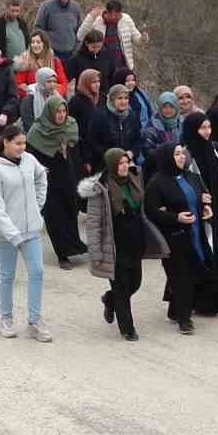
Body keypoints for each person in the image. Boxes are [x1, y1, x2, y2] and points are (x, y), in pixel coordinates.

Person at [79, 147, 158, 342]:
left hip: (135, 241)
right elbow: (94, 223)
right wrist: (95, 252)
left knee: (135, 283)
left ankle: (109, 299)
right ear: (112, 165)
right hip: (115, 244)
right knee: (122, 287)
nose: (124, 166)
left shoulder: (134, 179)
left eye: (126, 162)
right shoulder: (101, 188)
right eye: (120, 163)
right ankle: (127, 329)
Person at [0, 124, 51, 341]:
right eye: (17, 143)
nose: (22, 147)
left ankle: (34, 320)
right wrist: (12, 233)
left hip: (31, 228)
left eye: (24, 143)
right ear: (5, 142)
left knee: (37, 272)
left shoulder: (30, 161)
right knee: (7, 275)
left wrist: (37, 205)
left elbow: (42, 178)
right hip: (6, 234)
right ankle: (6, 319)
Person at [144, 143, 213, 335]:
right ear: (167, 157)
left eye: (183, 153)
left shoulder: (192, 177)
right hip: (173, 237)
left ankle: (175, 311)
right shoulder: (157, 182)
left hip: (195, 233)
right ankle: (184, 319)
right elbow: (151, 211)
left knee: (193, 272)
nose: (182, 157)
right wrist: (176, 218)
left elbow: (200, 199)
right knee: (182, 277)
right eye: (177, 154)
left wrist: (206, 208)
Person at [180, 112, 218, 316]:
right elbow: (180, 180)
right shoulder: (185, 154)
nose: (207, 131)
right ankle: (193, 300)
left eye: (209, 127)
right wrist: (199, 196)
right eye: (202, 128)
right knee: (199, 253)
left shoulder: (215, 149)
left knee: (216, 250)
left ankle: (213, 302)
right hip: (196, 211)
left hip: (216, 210)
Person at [25, 95, 86, 270]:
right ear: (49, 112)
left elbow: (76, 149)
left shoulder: (70, 125)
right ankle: (62, 254)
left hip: (67, 175)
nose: (61, 115)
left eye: (63, 110)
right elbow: (29, 156)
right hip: (48, 179)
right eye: (57, 111)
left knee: (71, 209)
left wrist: (68, 151)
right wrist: (39, 169)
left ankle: (74, 245)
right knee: (55, 215)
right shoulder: (37, 131)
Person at [78, 0, 148, 73]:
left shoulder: (126, 19)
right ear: (107, 12)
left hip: (123, 66)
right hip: (102, 67)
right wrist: (91, 17)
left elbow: (138, 40)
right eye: (111, 14)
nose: (114, 17)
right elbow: (80, 36)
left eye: (117, 15)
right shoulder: (97, 20)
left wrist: (143, 38)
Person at [88, 84, 142, 173]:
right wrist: (112, 156)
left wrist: (132, 152)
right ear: (112, 99)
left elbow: (138, 139)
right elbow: (92, 141)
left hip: (126, 165)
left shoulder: (131, 115)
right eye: (120, 98)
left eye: (126, 98)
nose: (123, 101)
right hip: (104, 166)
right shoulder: (100, 115)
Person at [33, 0, 83, 64]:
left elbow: (80, 30)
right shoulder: (46, 7)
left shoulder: (76, 7)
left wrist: (76, 49)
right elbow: (38, 29)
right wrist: (46, 49)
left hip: (71, 54)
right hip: (51, 54)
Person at [66, 69, 103, 174]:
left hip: (98, 150)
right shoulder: (76, 101)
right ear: (85, 82)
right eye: (93, 82)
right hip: (83, 152)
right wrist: (85, 158)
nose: (97, 85)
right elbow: (79, 130)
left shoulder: (99, 98)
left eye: (98, 82)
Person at [13, 29, 68, 97]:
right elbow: (18, 84)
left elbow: (64, 83)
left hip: (52, 98)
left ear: (44, 44)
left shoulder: (55, 62)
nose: (35, 45)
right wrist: (24, 90)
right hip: (33, 98)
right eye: (32, 42)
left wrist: (56, 91)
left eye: (38, 42)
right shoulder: (25, 61)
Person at [64, 31, 114, 96]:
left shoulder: (107, 56)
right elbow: (68, 76)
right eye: (93, 47)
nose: (96, 50)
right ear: (86, 43)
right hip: (84, 94)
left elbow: (111, 73)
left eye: (99, 47)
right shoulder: (77, 58)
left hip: (103, 94)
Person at [142, 90, 183, 156]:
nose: (168, 110)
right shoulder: (152, 127)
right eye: (165, 107)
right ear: (160, 108)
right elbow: (148, 152)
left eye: (171, 106)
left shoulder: (182, 123)